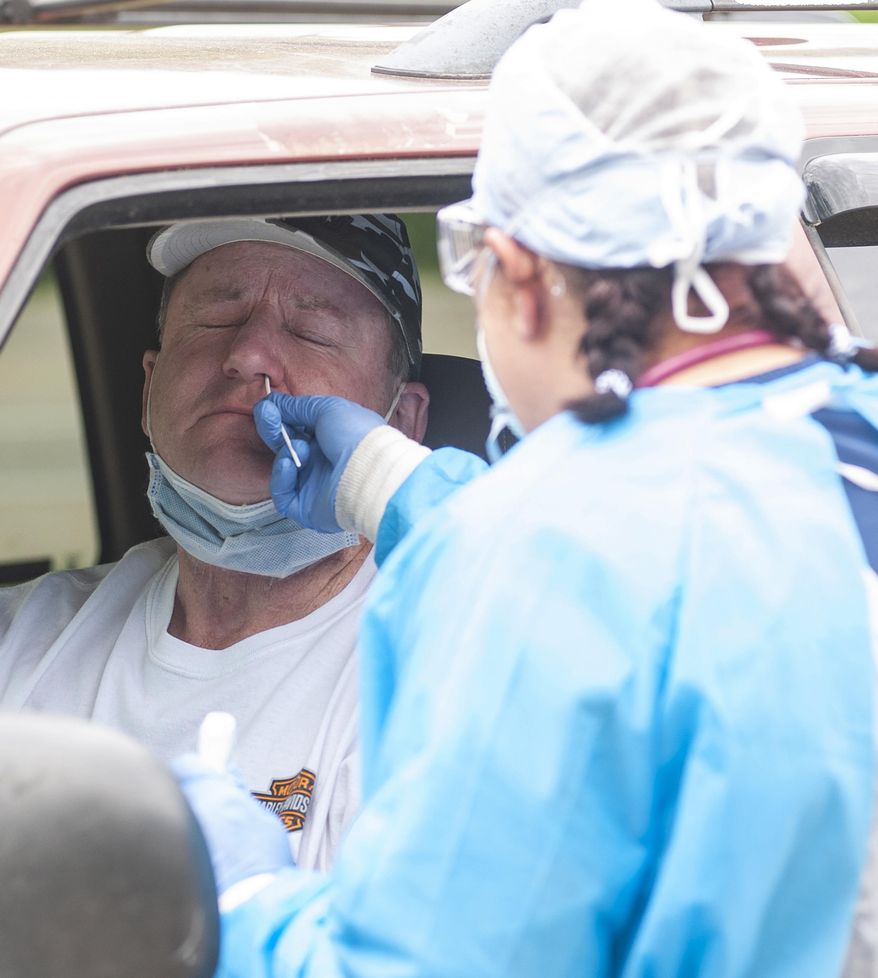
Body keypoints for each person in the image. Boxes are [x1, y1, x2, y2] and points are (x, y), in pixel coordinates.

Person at [176, 2, 878, 975]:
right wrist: (397, 487)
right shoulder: (835, 451)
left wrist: (244, 899)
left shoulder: (539, 557)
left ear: (518, 273)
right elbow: (719, 571)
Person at [0, 213, 429, 871]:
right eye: (216, 320)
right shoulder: (23, 636)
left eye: (310, 330)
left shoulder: (428, 668)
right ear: (149, 389)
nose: (248, 355)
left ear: (401, 421)